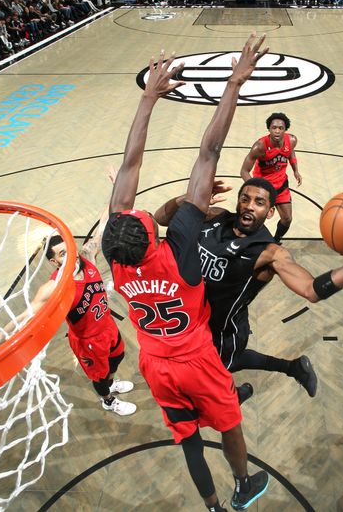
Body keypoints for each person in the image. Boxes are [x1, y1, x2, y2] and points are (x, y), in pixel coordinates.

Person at [101, 35, 270, 512]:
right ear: (154, 236)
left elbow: (129, 166)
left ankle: (213, 506)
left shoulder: (115, 253)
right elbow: (208, 151)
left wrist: (148, 97)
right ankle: (242, 485)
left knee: (190, 440)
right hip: (196, 359)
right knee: (230, 424)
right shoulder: (181, 252)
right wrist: (234, 84)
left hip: (155, 363)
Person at [154, 177, 343, 398]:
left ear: (270, 212)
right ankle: (293, 368)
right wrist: (188, 199)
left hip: (222, 331)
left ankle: (236, 396)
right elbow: (161, 219)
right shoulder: (215, 217)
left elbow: (312, 290)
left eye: (259, 202)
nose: (249, 206)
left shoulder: (270, 253)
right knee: (224, 365)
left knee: (206, 375)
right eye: (244, 199)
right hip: (190, 319)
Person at [0, 211, 137, 416]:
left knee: (117, 358)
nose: (70, 255)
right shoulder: (54, 287)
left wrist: (119, 185)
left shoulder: (87, 255)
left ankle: (111, 382)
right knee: (99, 378)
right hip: (88, 341)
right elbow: (25, 316)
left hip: (107, 327)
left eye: (69, 249)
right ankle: (107, 400)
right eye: (62, 254)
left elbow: (102, 226)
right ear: (54, 262)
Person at [239, 112, 300, 242]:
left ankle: (275, 240)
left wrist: (296, 170)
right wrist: (254, 189)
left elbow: (291, 153)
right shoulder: (259, 146)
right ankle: (246, 243)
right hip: (263, 188)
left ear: (285, 130)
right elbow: (244, 171)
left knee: (287, 219)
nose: (277, 131)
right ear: (269, 129)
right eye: (274, 128)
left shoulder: (292, 140)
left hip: (281, 185)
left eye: (280, 128)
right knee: (255, 219)